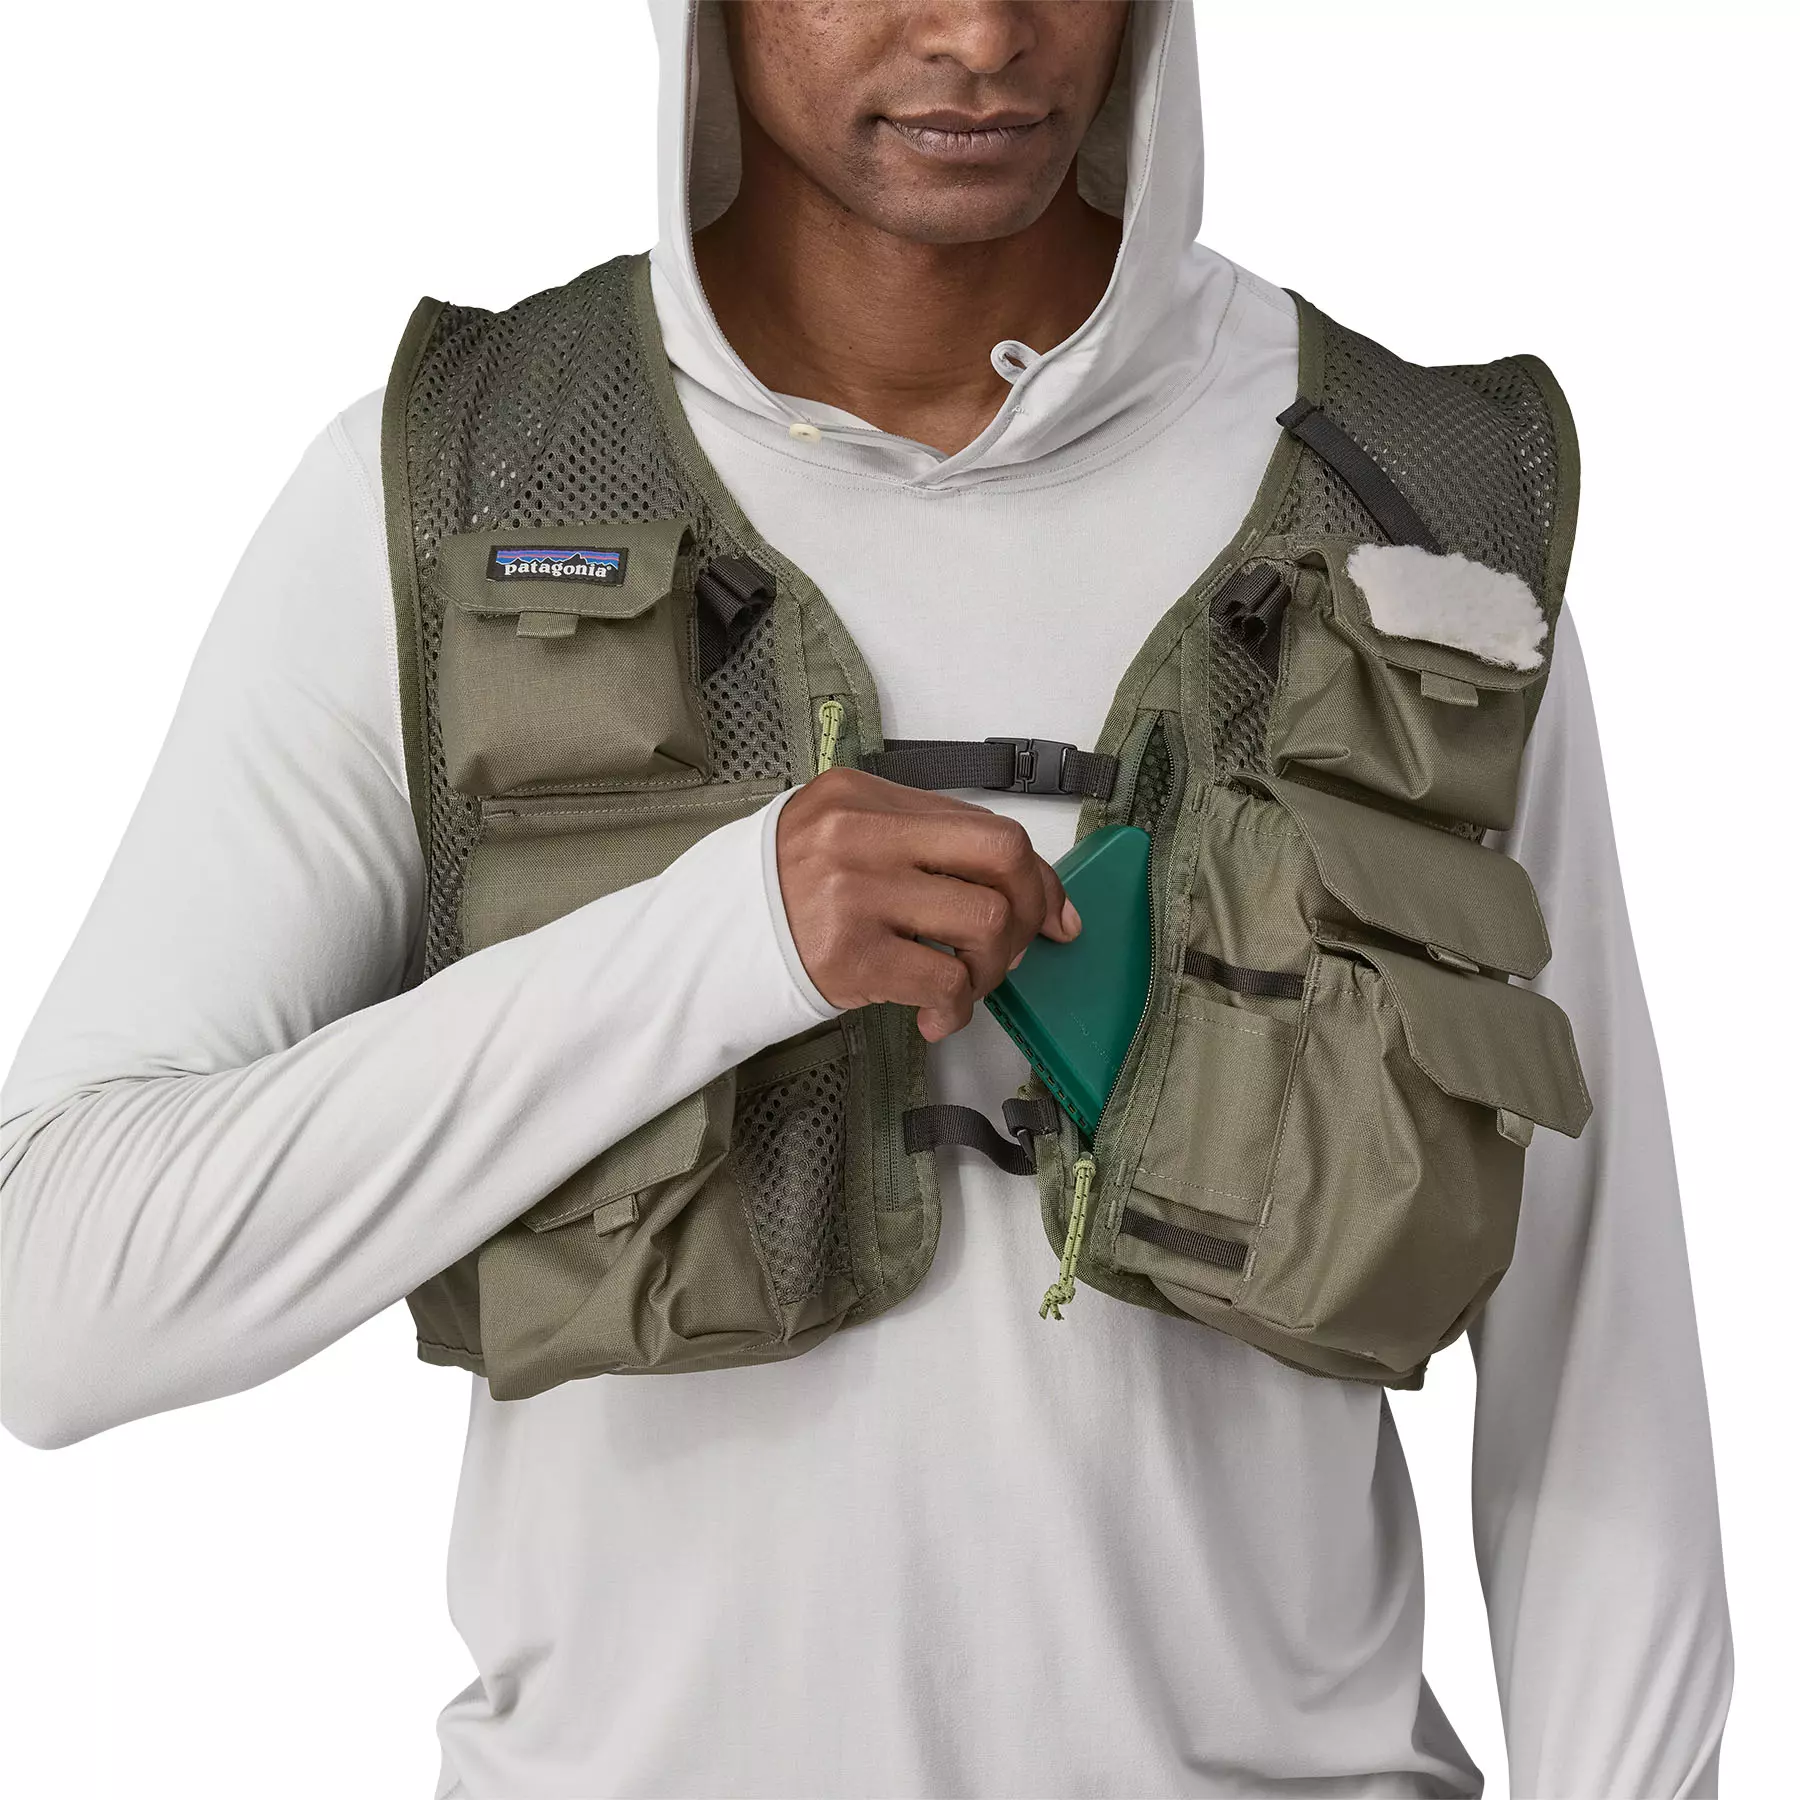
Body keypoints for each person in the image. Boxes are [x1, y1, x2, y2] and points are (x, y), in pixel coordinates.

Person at [0, 3, 1732, 1795]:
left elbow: (1596, 1352)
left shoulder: (1424, 529)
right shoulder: (456, 489)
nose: (980, 33)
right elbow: (52, 1298)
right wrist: (724, 943)